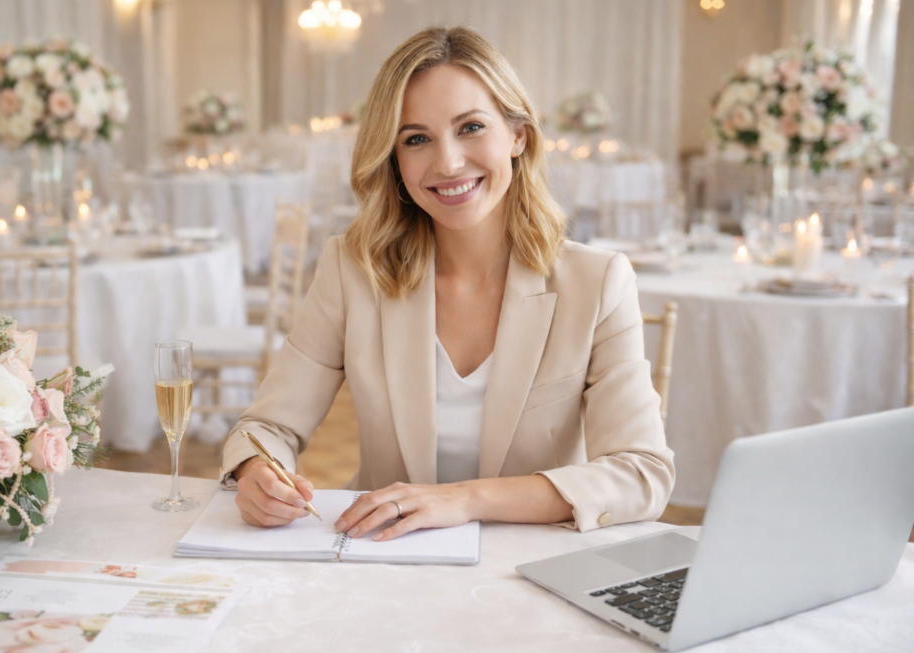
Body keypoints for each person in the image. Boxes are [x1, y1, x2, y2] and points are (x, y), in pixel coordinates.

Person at [222, 25, 673, 542]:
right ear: (394, 159)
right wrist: (256, 471)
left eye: (471, 127)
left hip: (530, 566)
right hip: (382, 559)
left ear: (518, 136)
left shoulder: (598, 282)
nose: (449, 162)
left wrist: (464, 499)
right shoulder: (352, 271)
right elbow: (265, 428)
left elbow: (642, 474)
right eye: (416, 139)